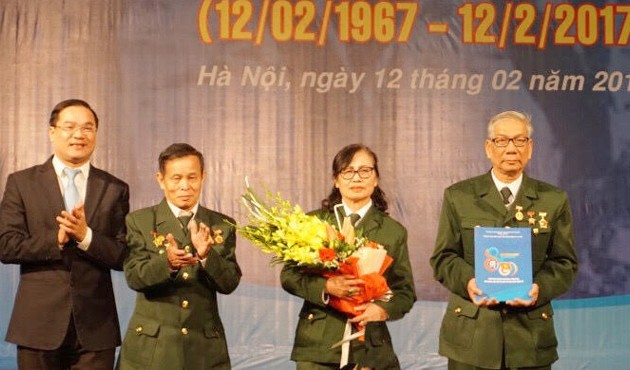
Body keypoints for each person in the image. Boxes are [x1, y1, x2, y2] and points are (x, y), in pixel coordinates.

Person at [430, 111, 579, 369]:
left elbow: (564, 263)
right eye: (502, 141)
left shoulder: (553, 199)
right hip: (472, 338)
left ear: (530, 148)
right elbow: (443, 258)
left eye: (519, 140)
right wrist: (469, 282)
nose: (511, 148)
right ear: (489, 147)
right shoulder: (459, 196)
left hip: (529, 338)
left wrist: (538, 289)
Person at [0, 99, 130, 369]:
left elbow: (122, 255)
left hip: (96, 328)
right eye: (69, 127)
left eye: (87, 128)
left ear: (96, 134)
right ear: (52, 131)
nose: (78, 135)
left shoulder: (114, 188)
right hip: (38, 326)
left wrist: (86, 237)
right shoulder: (22, 183)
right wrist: (54, 240)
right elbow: (7, 246)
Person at [281, 143, 416, 370]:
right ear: (336, 179)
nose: (357, 178)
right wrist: (326, 286)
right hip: (318, 345)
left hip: (371, 350)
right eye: (348, 171)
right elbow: (289, 276)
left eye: (365, 171)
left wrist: (382, 310)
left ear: (376, 178)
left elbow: (405, 292)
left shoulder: (392, 231)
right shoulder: (312, 224)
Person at [117, 143, 241, 370]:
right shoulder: (140, 221)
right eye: (176, 178)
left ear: (203, 177)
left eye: (192, 177)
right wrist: (167, 263)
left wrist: (206, 256)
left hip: (203, 349)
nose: (185, 186)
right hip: (153, 349)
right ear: (160, 179)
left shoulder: (221, 225)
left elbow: (229, 282)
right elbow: (134, 277)